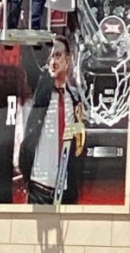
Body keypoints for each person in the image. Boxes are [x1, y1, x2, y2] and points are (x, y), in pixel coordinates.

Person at [19, 37, 84, 204]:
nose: (53, 61)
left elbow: (79, 141)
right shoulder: (42, 91)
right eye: (50, 57)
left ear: (68, 60)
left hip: (65, 187)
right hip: (41, 186)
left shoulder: (73, 97)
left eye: (58, 55)